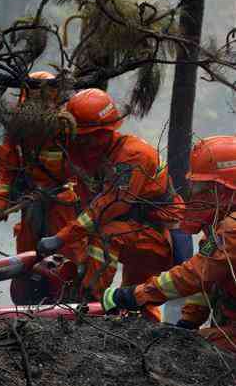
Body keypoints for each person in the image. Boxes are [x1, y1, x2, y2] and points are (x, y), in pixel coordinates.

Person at [36, 89, 182, 300]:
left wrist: (61, 238)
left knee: (107, 234)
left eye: (86, 137)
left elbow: (111, 206)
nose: (81, 144)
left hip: (158, 236)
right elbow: (86, 204)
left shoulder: (133, 156)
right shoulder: (98, 155)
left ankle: (89, 301)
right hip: (132, 232)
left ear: (103, 132)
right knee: (137, 302)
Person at [103, 136, 236, 350]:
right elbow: (205, 281)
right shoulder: (218, 230)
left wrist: (133, 295)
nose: (195, 194)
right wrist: (188, 322)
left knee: (199, 354)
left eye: (202, 187)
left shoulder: (232, 230)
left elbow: (193, 275)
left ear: (224, 190)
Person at [0, 71, 80, 269]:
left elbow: (80, 169)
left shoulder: (66, 125)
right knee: (28, 253)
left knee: (64, 252)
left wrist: (67, 193)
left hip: (61, 201)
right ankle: (29, 292)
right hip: (31, 200)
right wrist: (2, 203)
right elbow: (7, 168)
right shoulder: (19, 127)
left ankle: (66, 295)